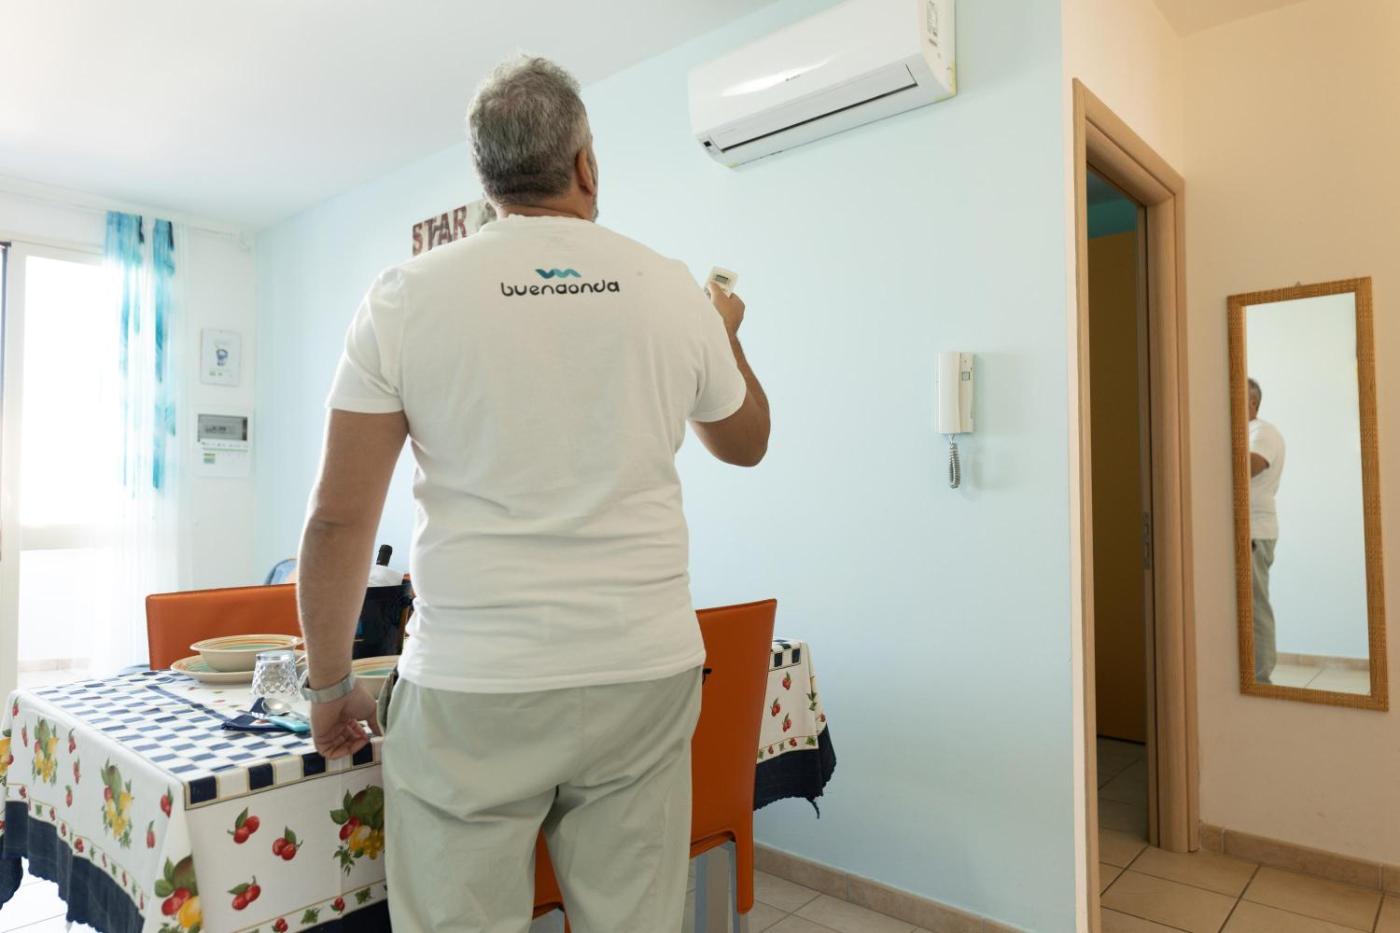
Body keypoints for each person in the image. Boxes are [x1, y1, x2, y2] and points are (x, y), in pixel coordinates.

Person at [294, 55, 771, 932]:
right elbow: (746, 443)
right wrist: (724, 333)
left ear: (487, 180)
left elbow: (338, 517)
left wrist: (329, 685)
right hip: (641, 670)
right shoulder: (671, 289)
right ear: (586, 165)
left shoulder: (404, 296)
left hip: (472, 686)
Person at [1247, 377, 1284, 684]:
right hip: (1242, 531)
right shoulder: (1243, 433)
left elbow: (1249, 466)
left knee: (1255, 604)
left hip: (1256, 532)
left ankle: (1261, 679)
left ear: (1253, 403)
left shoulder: (1263, 432)